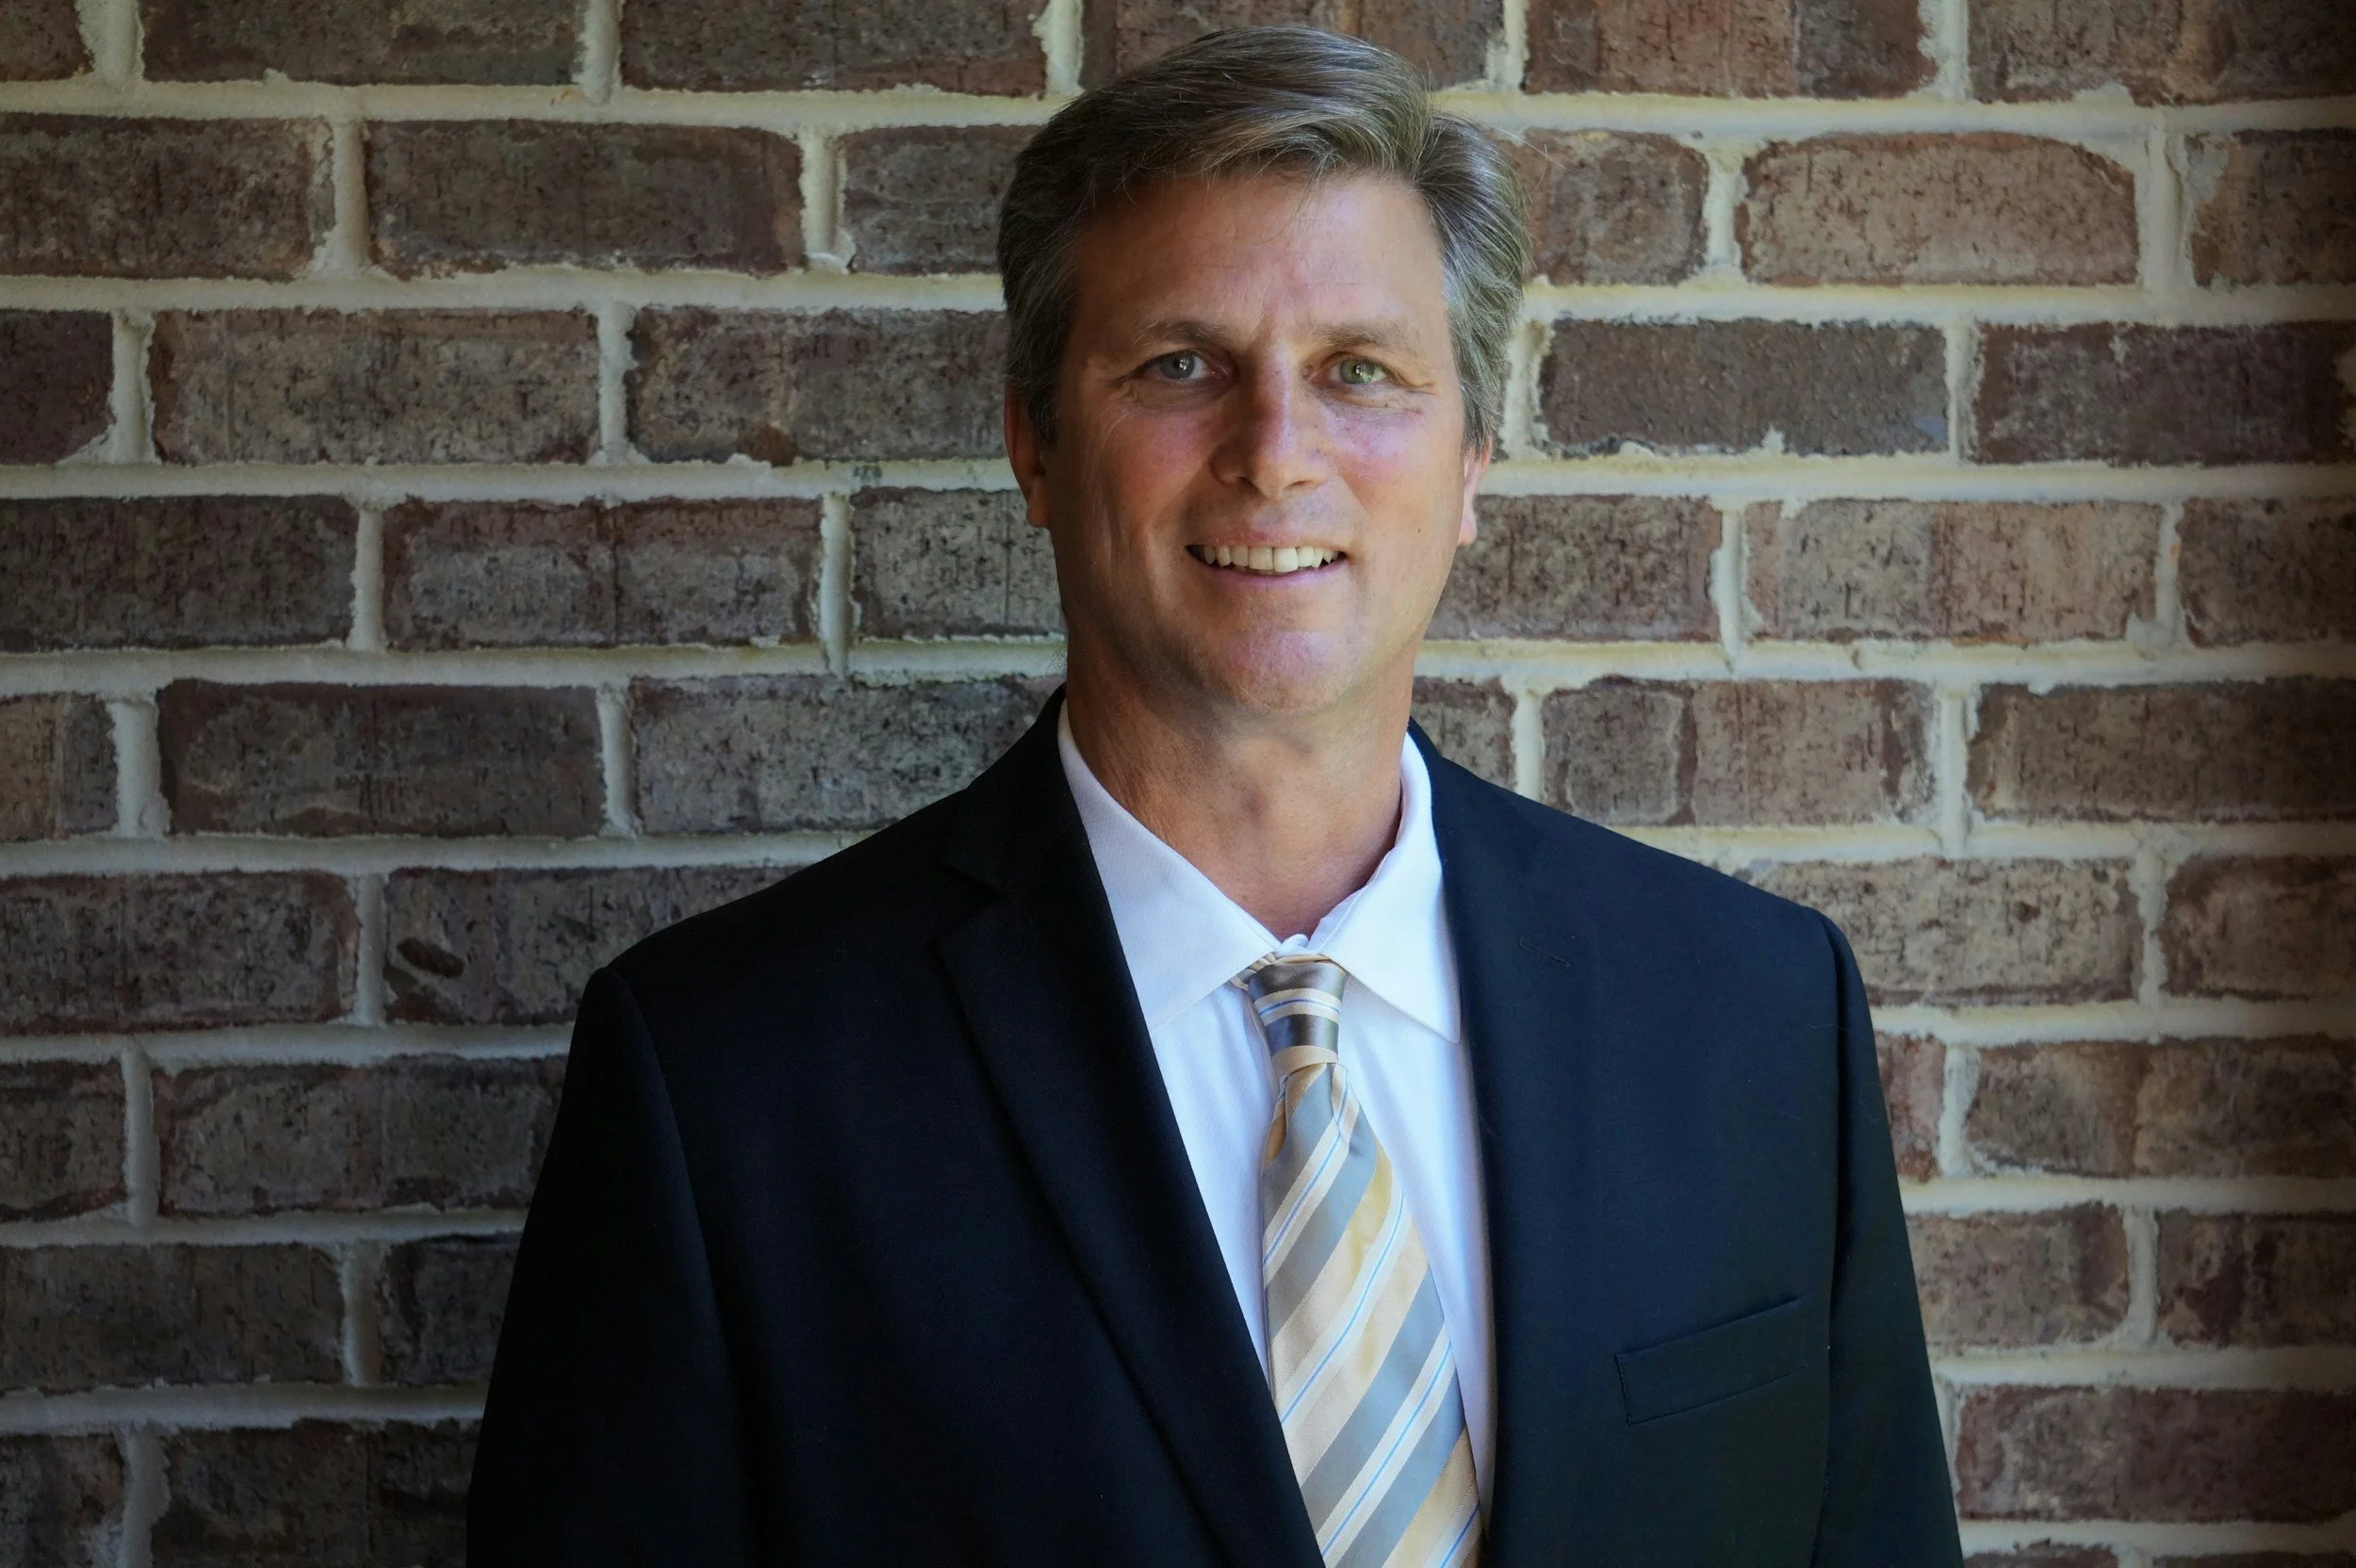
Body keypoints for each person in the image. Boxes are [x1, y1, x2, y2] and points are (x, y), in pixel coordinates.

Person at [466, 26, 1962, 1567]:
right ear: (1033, 445)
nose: (1275, 454)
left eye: (1361, 373)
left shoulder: (1755, 1016)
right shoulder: (727, 1085)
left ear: (1469, 470)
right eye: (1181, 366)